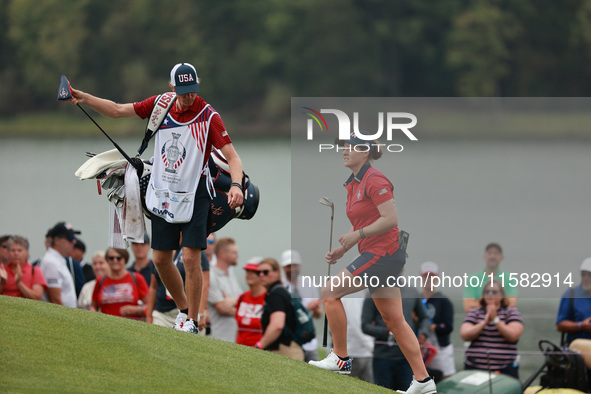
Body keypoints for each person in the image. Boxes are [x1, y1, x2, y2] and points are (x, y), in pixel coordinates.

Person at [68, 61, 244, 333]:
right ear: (172, 87)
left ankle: (193, 321)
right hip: (163, 192)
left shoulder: (209, 116)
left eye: (193, 91)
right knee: (160, 259)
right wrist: (85, 98)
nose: (189, 97)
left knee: (189, 257)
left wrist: (236, 185)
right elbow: (116, 110)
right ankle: (184, 310)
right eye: (183, 91)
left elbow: (232, 155)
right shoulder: (161, 105)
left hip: (196, 193)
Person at [308, 133, 436, 393]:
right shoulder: (354, 183)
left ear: (364, 152)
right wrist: (344, 248)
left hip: (384, 254)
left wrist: (357, 235)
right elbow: (363, 223)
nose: (344, 151)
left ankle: (341, 358)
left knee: (329, 292)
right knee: (394, 320)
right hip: (377, 253)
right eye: (343, 147)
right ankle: (424, 381)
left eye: (350, 147)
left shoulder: (374, 179)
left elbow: (391, 219)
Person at [362, 283, 430, 391]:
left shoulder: (411, 291)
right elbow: (365, 325)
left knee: (408, 391)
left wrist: (423, 333)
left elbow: (425, 318)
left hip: (407, 358)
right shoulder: (374, 292)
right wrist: (387, 331)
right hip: (383, 357)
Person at [460, 279, 524, 379]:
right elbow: (464, 334)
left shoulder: (511, 312)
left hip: (504, 370)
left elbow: (513, 335)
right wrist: (484, 323)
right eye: (487, 291)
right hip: (474, 368)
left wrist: (495, 320)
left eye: (494, 292)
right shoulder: (475, 312)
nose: (490, 294)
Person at [146, 248, 210, 332]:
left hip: (189, 315)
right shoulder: (161, 250)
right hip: (162, 314)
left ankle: (187, 314)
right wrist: (149, 315)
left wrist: (200, 314)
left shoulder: (194, 249)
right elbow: (153, 287)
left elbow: (205, 284)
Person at [255, 258, 304, 361]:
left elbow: (277, 325)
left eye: (266, 272)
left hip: (285, 351)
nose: (261, 275)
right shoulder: (280, 291)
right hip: (290, 349)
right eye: (258, 272)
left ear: (277, 273)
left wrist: (259, 346)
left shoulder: (276, 294)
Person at [280, 249, 322, 362]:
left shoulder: (309, 284)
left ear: (300, 265)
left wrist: (316, 308)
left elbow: (318, 314)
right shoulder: (281, 287)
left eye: (295, 265)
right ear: (283, 267)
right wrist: (307, 308)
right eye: (289, 266)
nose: (292, 269)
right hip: (291, 341)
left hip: (310, 341)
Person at [91, 248, 149, 320]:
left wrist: (137, 309)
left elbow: (149, 306)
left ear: (125, 260)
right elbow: (93, 305)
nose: (115, 260)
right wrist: (93, 313)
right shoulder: (100, 281)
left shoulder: (137, 278)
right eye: (111, 258)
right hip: (106, 325)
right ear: (107, 260)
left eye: (119, 258)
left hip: (131, 325)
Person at [420, 262, 455, 380]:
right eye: (426, 276)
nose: (428, 280)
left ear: (436, 278)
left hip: (440, 349)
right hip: (422, 347)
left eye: (431, 277)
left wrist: (432, 326)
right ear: (421, 277)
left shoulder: (444, 301)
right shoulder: (416, 299)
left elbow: (449, 326)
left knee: (444, 380)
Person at [463, 243, 518, 312]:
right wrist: (499, 303)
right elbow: (467, 306)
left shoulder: (510, 278)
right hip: (478, 321)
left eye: (496, 253)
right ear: (484, 256)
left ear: (501, 257)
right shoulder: (472, 279)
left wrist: (480, 302)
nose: (492, 256)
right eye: (489, 253)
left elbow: (512, 303)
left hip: (503, 320)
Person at [208, 237, 242, 342]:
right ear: (223, 254)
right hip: (217, 338)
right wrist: (243, 311)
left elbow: (243, 301)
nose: (238, 256)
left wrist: (233, 302)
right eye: (234, 253)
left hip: (233, 338)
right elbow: (222, 308)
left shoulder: (232, 276)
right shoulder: (210, 275)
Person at [38, 222, 80, 308]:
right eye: (70, 238)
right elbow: (55, 299)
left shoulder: (57, 259)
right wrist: (67, 319)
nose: (74, 241)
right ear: (57, 240)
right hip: (58, 319)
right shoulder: (51, 262)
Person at [342, 291, 375, 383]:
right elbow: (355, 323)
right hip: (353, 352)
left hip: (365, 351)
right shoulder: (353, 293)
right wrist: (371, 346)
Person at [556, 257, 591, 343]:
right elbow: (560, 324)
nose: (586, 278)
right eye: (583, 274)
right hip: (577, 350)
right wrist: (581, 326)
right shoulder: (571, 295)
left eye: (589, 275)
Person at [0, 236, 47, 300]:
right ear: (8, 252)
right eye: (13, 250)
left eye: (19, 250)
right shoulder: (2, 270)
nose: (16, 253)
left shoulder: (35, 270)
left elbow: (37, 297)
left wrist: (19, 283)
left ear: (27, 252)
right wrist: (2, 282)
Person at [235, 259, 266, 346]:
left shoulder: (269, 299)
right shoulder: (242, 297)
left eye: (254, 272)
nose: (249, 274)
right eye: (247, 271)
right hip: (240, 350)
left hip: (260, 352)